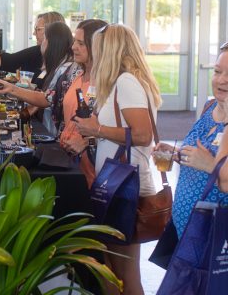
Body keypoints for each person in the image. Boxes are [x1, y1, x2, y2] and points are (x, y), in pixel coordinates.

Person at [74, 24, 161, 295]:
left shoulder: (127, 82)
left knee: (124, 271)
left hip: (125, 187)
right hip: (118, 185)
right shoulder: (125, 81)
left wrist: (96, 130)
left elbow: (143, 134)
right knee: (111, 266)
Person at [154, 42, 228, 237]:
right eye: (218, 71)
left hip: (216, 237)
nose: (221, 80)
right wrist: (178, 154)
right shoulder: (209, 106)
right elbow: (199, 152)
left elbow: (214, 169)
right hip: (186, 230)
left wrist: (210, 165)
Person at [0, 21, 77, 135]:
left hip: (57, 135)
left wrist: (12, 89)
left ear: (52, 44)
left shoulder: (64, 69)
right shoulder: (59, 67)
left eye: (45, 38)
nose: (42, 43)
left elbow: (46, 99)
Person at [59, 19, 108, 188]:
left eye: (80, 43)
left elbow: (120, 132)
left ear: (96, 46)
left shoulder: (107, 83)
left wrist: (87, 142)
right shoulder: (76, 75)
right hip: (69, 162)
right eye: (74, 42)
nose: (73, 47)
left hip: (94, 170)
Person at [0, 11, 65, 82]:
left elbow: (9, 60)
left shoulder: (63, 61)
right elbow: (10, 60)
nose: (34, 33)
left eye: (38, 29)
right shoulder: (39, 51)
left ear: (51, 31)